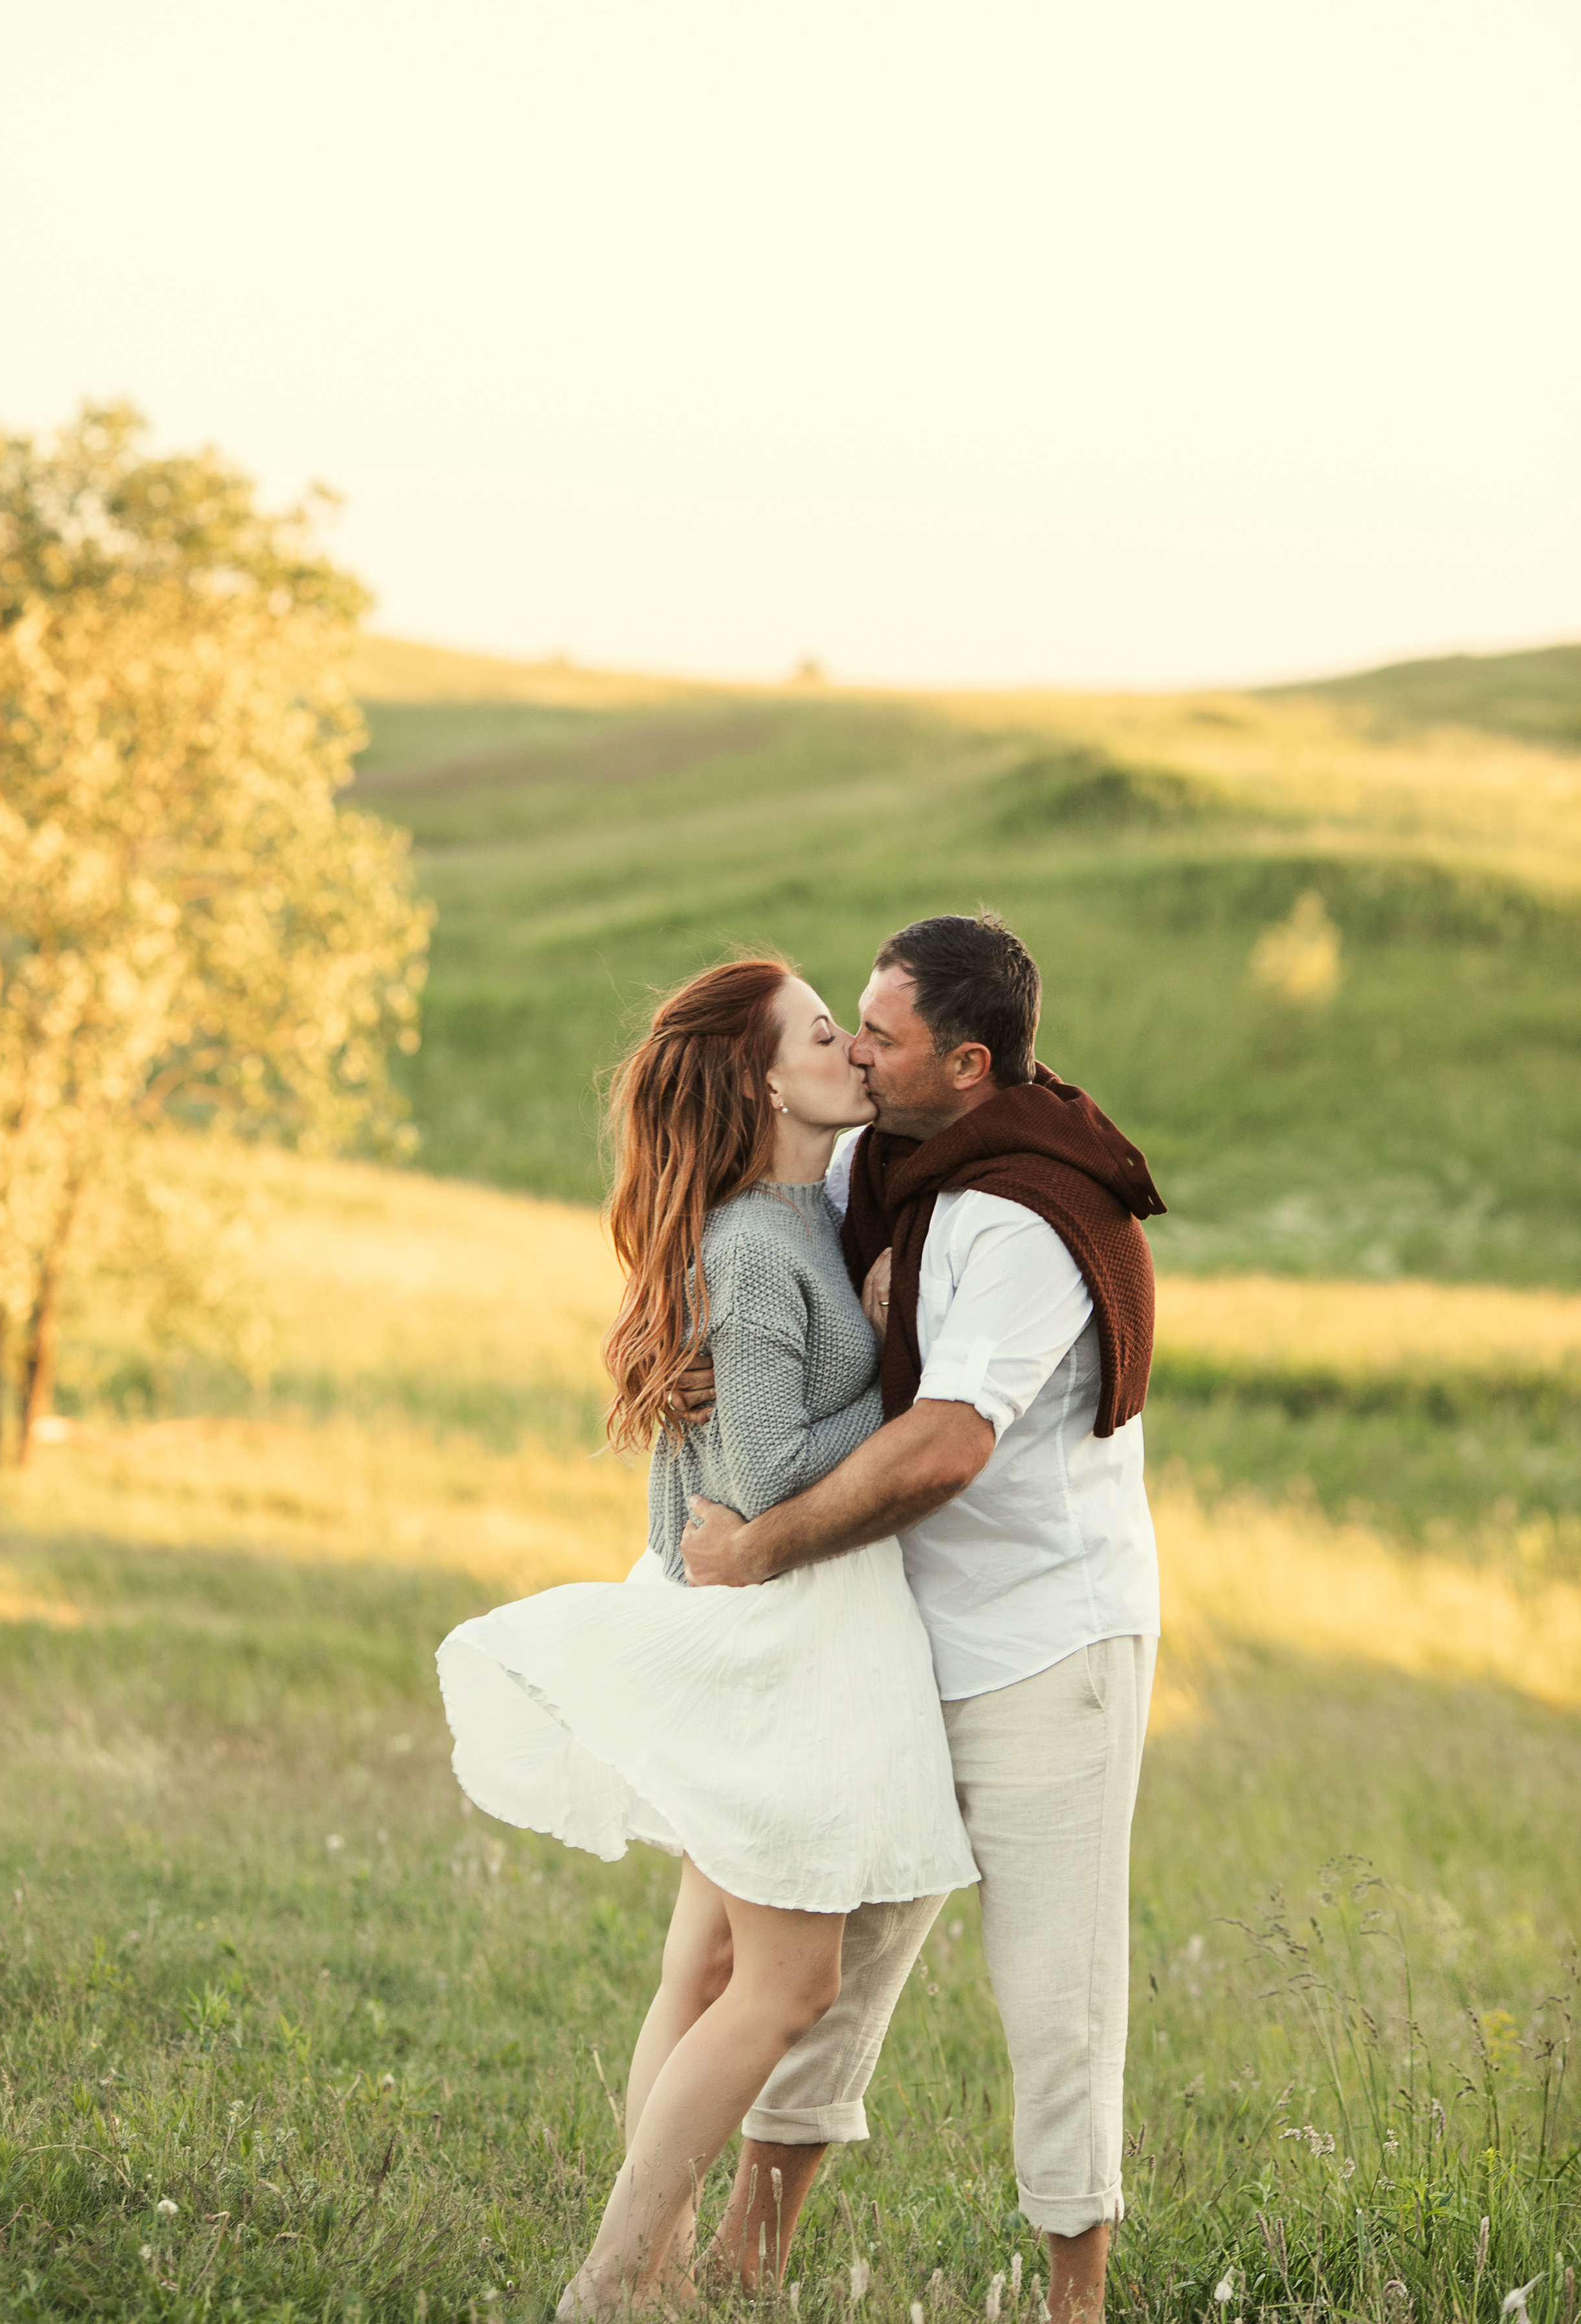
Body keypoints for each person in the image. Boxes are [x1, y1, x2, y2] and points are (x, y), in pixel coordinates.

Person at [435, 956, 978, 2316]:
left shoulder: (796, 1218)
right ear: (763, 1084)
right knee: (785, 1987)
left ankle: (656, 2276)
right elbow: (767, 1473)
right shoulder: (752, 1246)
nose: (855, 1052)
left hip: (780, 1627)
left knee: (707, 1969)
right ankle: (615, 2279)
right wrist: (897, 1379)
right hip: (776, 1644)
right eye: (822, 1034)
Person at [681, 912, 1165, 2324]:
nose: (857, 1053)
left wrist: (755, 1547)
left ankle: (1072, 2300)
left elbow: (948, 1443)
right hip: (892, 1631)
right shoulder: (881, 1164)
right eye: (853, 1024)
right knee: (825, 1962)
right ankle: (745, 2263)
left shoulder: (1027, 1215)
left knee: (1055, 1989)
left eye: (881, 1038)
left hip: (1045, 1646)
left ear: (966, 1065)